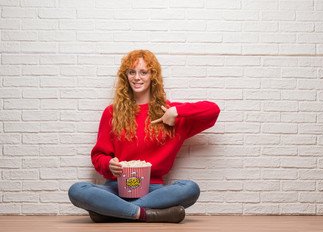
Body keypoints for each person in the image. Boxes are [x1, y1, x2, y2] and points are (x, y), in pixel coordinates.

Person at [68, 50, 220, 223]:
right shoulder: (112, 113)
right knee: (77, 190)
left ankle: (112, 211)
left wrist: (177, 111)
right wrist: (109, 164)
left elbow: (213, 111)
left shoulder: (169, 113)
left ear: (152, 76)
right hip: (116, 188)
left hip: (153, 190)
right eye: (132, 72)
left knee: (190, 188)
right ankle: (145, 214)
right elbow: (98, 157)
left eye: (143, 72)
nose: (137, 77)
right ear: (125, 76)